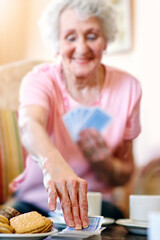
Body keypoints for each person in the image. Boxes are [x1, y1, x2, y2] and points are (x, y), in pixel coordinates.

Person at [10, 0, 142, 230]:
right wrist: (53, 163)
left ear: (106, 40)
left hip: (97, 206)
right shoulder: (40, 80)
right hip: (35, 203)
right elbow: (29, 124)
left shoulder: (128, 88)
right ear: (57, 43)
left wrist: (107, 165)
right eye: (70, 37)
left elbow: (126, 172)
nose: (81, 48)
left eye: (92, 36)